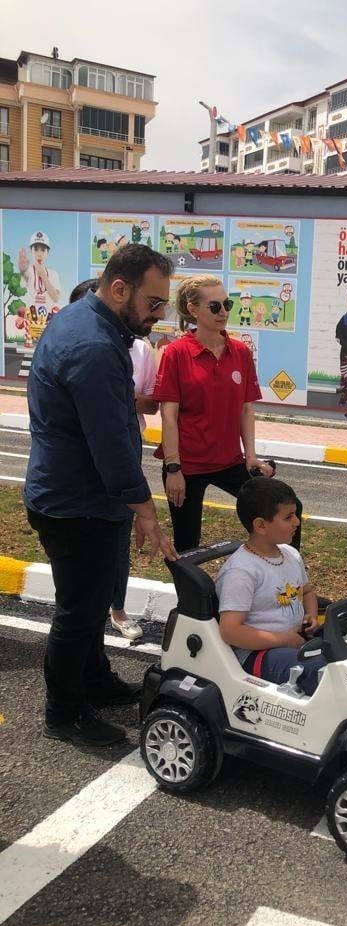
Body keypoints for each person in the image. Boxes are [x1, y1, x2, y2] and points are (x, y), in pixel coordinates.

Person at [25, 244, 177, 747]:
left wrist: (126, 506)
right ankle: (65, 712)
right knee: (79, 608)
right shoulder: (92, 345)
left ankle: (93, 679)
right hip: (75, 502)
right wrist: (145, 510)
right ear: (119, 289)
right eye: (154, 303)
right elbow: (110, 441)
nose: (159, 315)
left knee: (90, 605)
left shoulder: (93, 325)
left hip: (91, 498)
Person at [154, 275, 302, 553]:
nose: (223, 312)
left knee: (289, 510)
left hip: (230, 462)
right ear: (193, 309)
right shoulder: (176, 353)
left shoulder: (241, 352)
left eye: (227, 304)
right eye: (215, 306)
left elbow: (246, 409)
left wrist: (251, 457)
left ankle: (284, 577)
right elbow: (168, 416)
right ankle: (190, 598)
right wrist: (173, 467)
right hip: (187, 466)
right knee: (188, 549)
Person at [70, 276, 160, 642]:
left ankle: (116, 609)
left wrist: (116, 395)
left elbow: (151, 402)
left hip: (125, 444)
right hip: (82, 456)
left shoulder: (138, 348)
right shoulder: (80, 344)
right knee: (86, 538)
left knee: (120, 530)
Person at [216, 477, 324, 694]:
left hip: (294, 640)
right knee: (320, 672)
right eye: (288, 517)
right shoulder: (241, 572)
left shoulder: (290, 554)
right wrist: (283, 639)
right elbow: (230, 630)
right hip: (258, 654)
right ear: (261, 525)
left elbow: (308, 591)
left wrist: (311, 615)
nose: (297, 522)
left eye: (295, 514)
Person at [19, 230, 62, 310]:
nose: (39, 254)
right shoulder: (28, 271)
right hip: (31, 320)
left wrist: (44, 276)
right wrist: (22, 270)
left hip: (49, 319)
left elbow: (56, 298)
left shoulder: (53, 274)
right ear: (31, 251)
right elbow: (22, 282)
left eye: (43, 250)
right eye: (35, 249)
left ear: (47, 252)